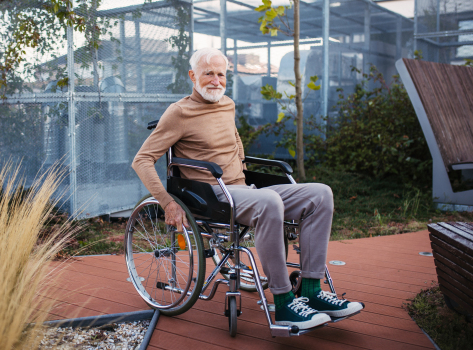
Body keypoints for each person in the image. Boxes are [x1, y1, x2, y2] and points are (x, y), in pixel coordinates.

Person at [131, 48, 363, 330]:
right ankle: (284, 303)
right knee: (268, 202)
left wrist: (242, 167)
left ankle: (312, 291)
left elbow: (236, 145)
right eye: (208, 74)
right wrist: (167, 202)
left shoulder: (227, 104)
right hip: (211, 195)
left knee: (320, 194)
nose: (216, 80)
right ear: (192, 76)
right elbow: (141, 160)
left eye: (221, 74)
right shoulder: (179, 113)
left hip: (242, 188)